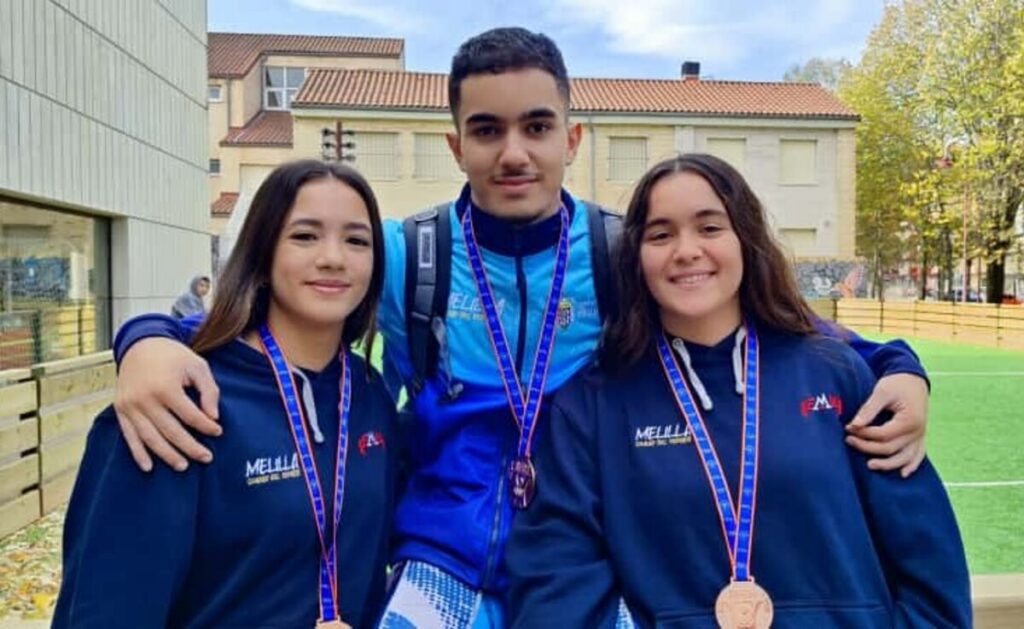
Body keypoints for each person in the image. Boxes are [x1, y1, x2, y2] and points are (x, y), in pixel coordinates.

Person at [106, 28, 931, 626]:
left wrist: (900, 364)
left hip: (591, 558)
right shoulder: (404, 252)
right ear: (454, 143)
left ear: (571, 138)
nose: (514, 152)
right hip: (442, 560)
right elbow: (228, 311)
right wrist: (143, 340)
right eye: (488, 129)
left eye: (537, 127)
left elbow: (778, 321)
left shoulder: (620, 250)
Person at [506, 154, 971, 628]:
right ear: (636, 257)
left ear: (745, 239)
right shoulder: (591, 406)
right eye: (661, 234)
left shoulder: (837, 373)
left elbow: (930, 565)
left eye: (710, 228)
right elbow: (555, 583)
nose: (686, 250)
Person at [54, 160, 398, 628]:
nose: (334, 257)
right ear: (261, 251)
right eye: (304, 236)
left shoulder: (371, 397)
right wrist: (144, 339)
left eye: (357, 240)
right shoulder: (179, 399)